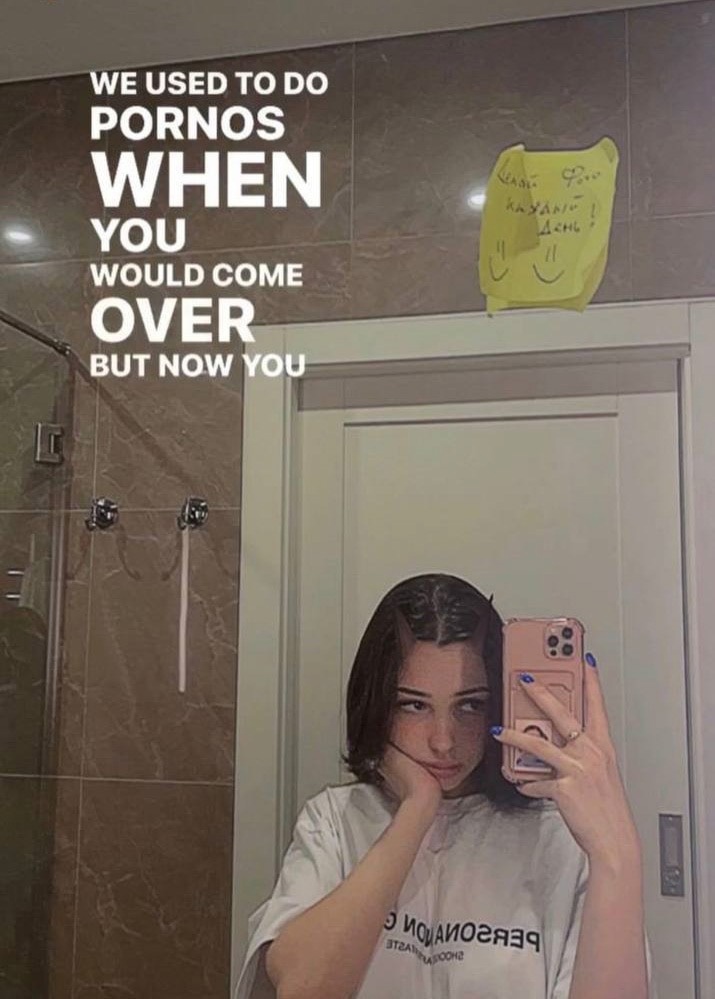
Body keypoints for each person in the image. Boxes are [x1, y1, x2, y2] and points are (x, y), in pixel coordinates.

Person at [234, 573, 654, 999]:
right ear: (377, 703)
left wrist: (617, 856)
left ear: (498, 702)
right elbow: (301, 989)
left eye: (469, 705)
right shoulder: (335, 822)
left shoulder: (562, 840)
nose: (443, 740)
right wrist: (418, 808)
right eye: (413, 705)